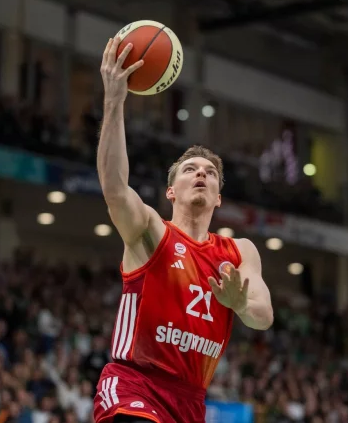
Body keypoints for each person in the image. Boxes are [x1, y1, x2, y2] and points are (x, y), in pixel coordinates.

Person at [92, 37, 274, 423]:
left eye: (209, 173)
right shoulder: (151, 230)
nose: (201, 174)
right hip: (133, 384)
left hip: (190, 400)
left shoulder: (240, 252)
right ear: (170, 191)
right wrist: (114, 100)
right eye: (190, 169)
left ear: (219, 198)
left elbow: (263, 315)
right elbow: (113, 186)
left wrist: (239, 305)